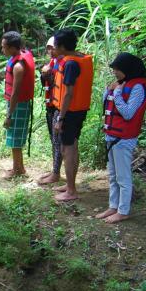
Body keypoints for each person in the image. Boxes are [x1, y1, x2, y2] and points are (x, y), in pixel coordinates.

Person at [94, 53, 146, 224]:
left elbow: (127, 113)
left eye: (117, 69)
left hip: (124, 139)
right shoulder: (120, 85)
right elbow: (106, 104)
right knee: (112, 175)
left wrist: (117, 94)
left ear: (127, 69)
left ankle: (123, 211)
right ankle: (113, 206)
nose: (115, 72)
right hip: (112, 136)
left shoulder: (138, 87)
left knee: (123, 177)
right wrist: (109, 90)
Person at [51, 29, 94, 202]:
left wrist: (60, 117)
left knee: (68, 149)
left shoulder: (70, 64)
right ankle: (70, 184)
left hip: (70, 112)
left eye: (55, 45)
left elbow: (68, 94)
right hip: (79, 110)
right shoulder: (81, 57)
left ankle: (71, 190)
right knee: (71, 147)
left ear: (62, 46)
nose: (53, 48)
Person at [0, 31, 35, 178]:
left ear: (13, 48)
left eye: (4, 47)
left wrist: (9, 115)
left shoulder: (18, 66)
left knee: (15, 137)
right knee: (14, 136)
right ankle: (18, 167)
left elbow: (15, 93)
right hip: (16, 103)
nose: (2, 50)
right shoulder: (21, 54)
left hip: (18, 104)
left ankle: (18, 170)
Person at [37, 37, 63, 185]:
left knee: (57, 140)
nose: (50, 51)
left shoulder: (63, 64)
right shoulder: (53, 63)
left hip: (59, 107)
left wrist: (50, 71)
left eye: (52, 47)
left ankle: (56, 173)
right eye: (48, 48)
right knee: (53, 140)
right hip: (50, 105)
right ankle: (55, 170)